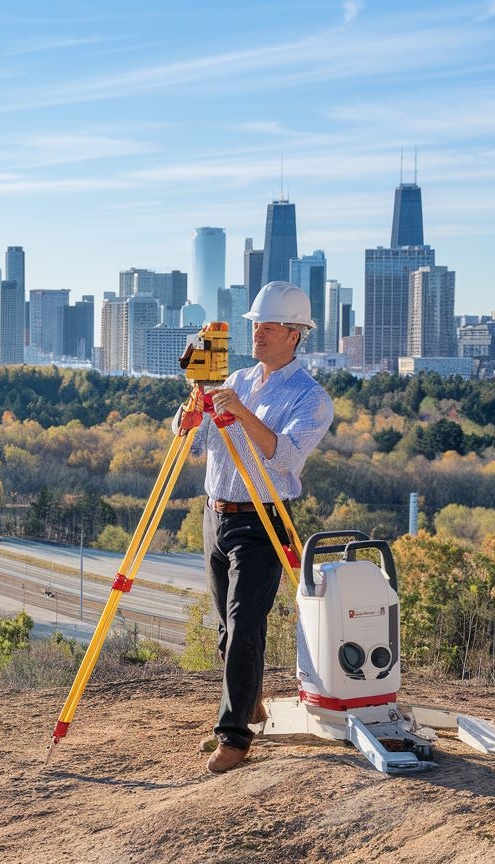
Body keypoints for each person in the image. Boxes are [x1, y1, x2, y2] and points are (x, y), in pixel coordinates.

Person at [176, 281, 333, 774]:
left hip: (263, 521)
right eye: (256, 325)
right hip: (216, 513)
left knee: (246, 625)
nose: (258, 333)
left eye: (268, 326)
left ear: (294, 335)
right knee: (226, 627)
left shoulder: (311, 398)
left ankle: (235, 736)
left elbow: (284, 457)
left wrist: (240, 412)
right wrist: (191, 408)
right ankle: (252, 702)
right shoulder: (236, 378)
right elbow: (196, 444)